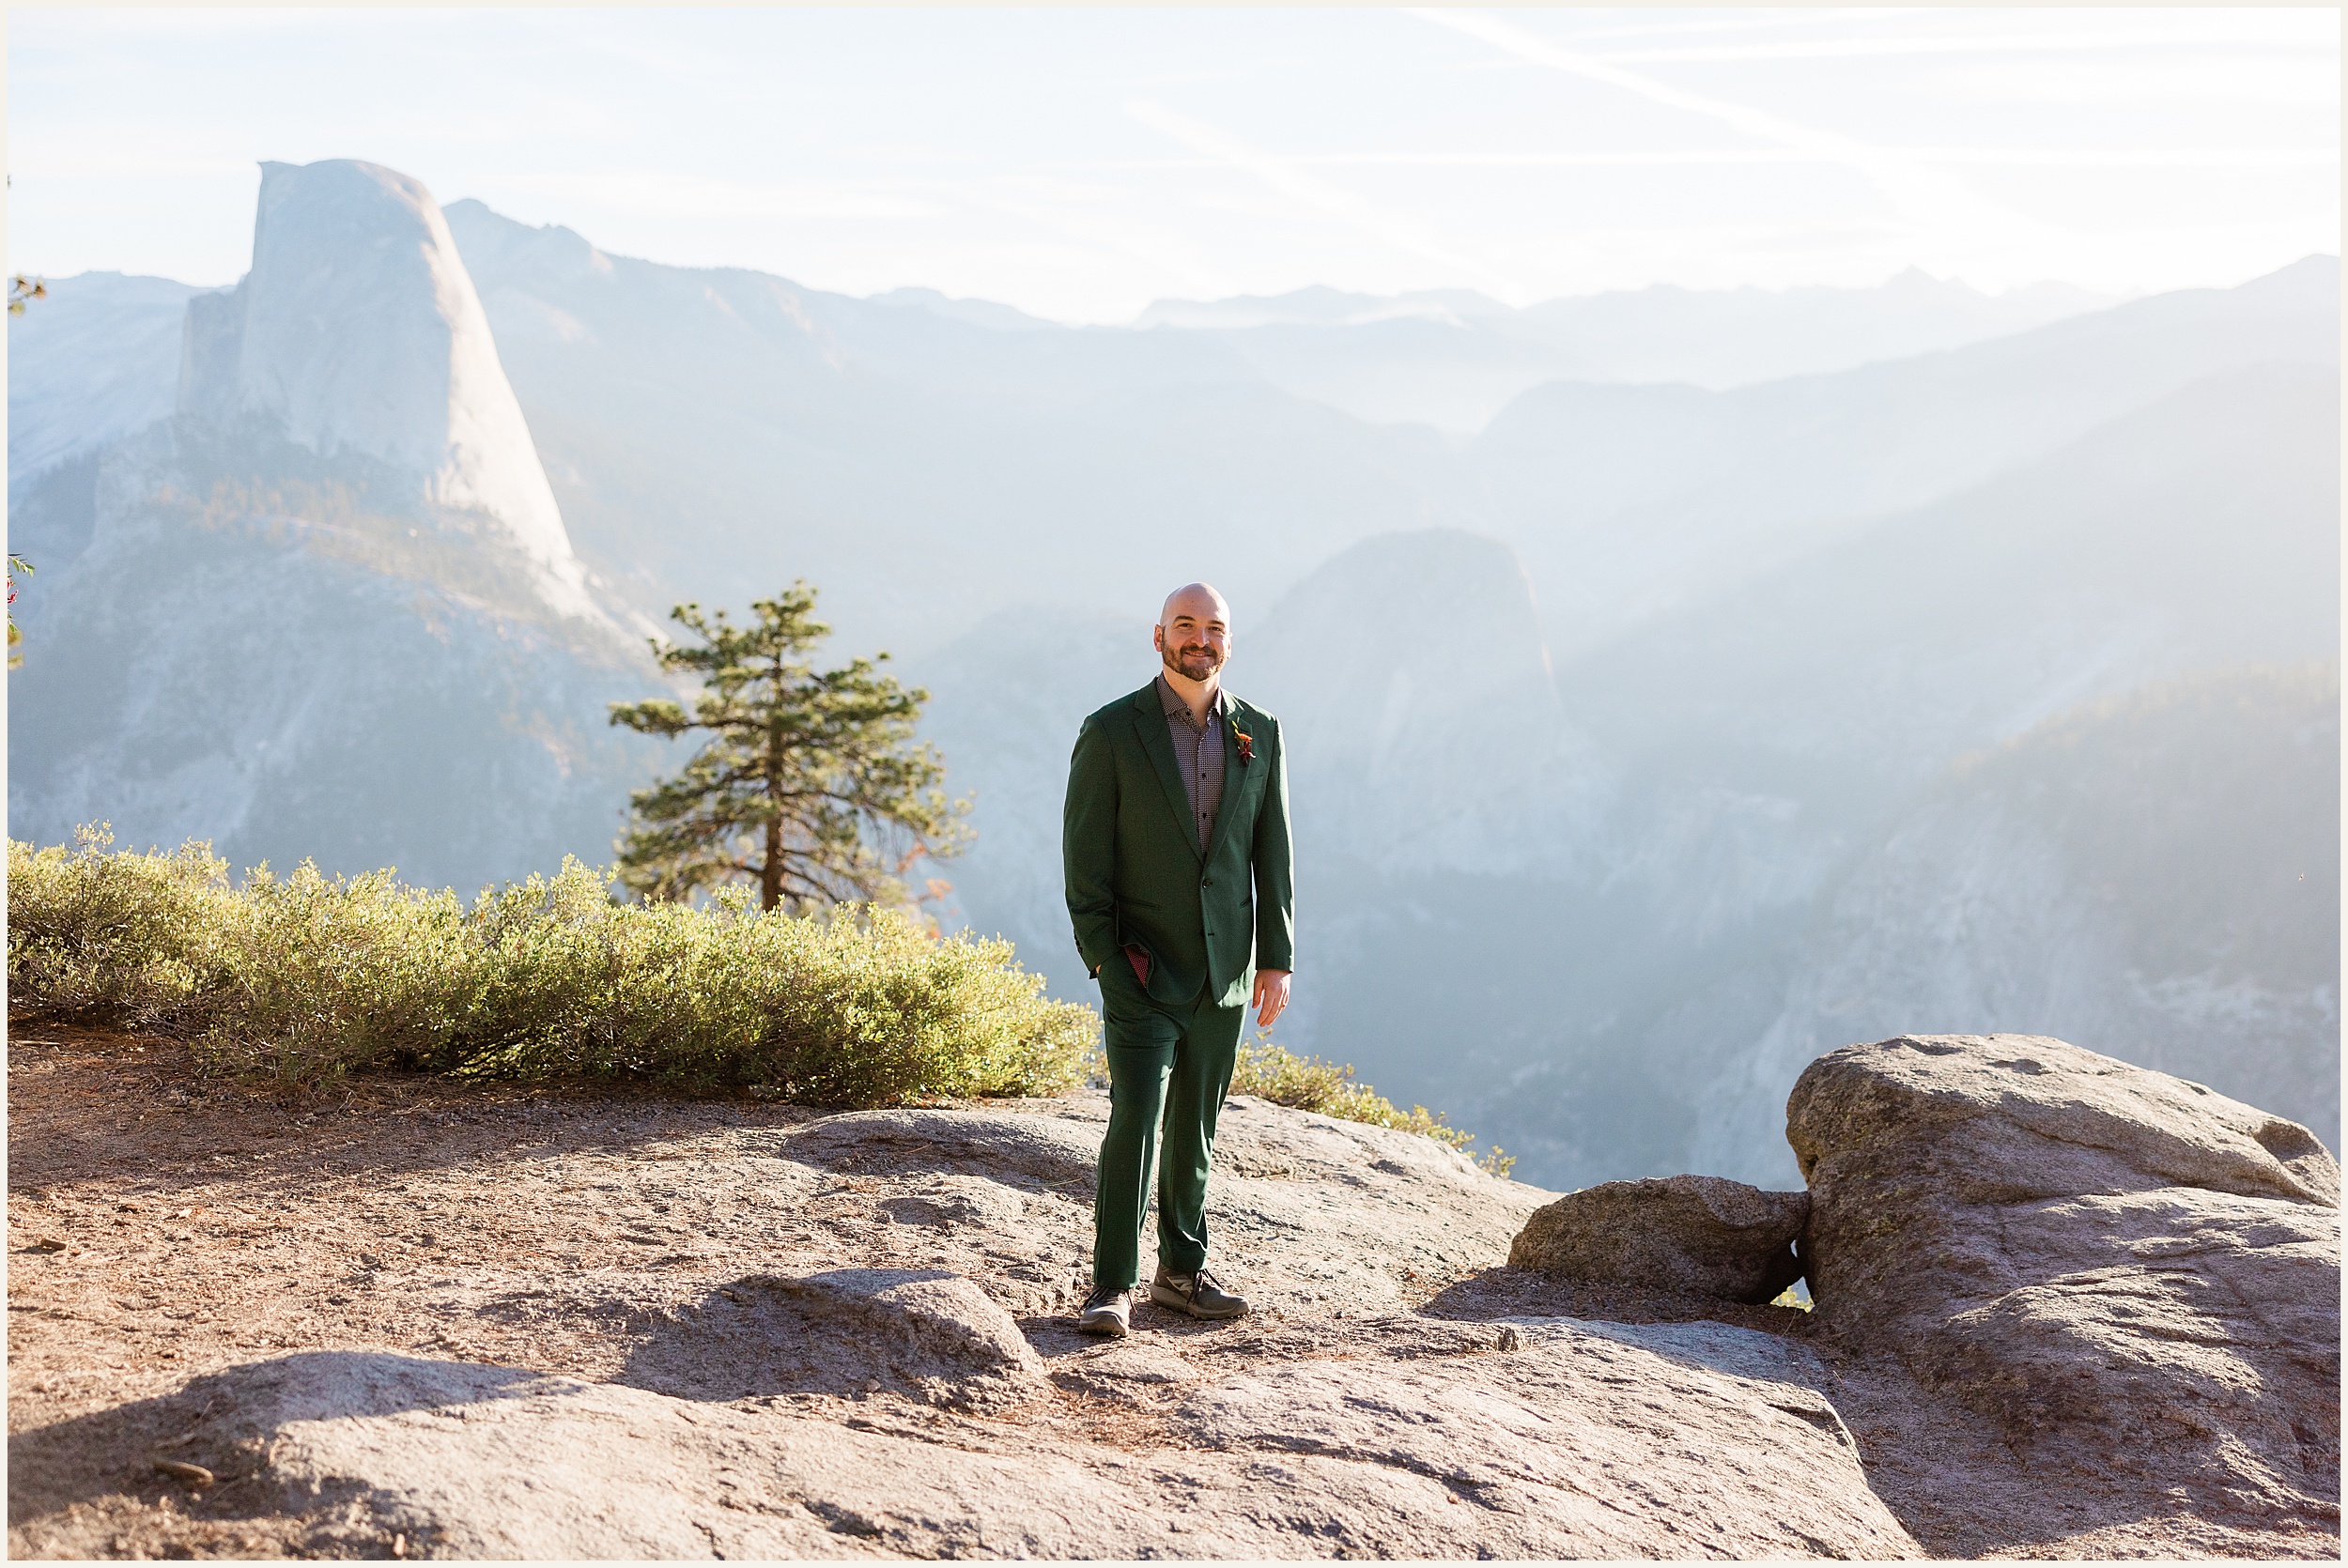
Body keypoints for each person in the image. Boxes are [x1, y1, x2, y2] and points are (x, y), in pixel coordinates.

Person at [1061, 581, 1294, 1337]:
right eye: (1185, 626)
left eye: (1214, 628)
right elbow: (1084, 863)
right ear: (1157, 637)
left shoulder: (1259, 732)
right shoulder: (1111, 732)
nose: (1200, 639)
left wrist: (1275, 958)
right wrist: (1104, 960)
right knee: (1135, 1119)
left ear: (1230, 641)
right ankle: (1112, 1285)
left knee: (1196, 1128)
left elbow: (1272, 854)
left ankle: (1182, 1274)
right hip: (1142, 970)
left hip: (1225, 973)